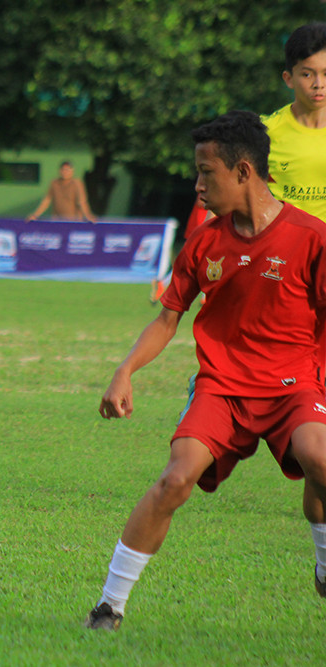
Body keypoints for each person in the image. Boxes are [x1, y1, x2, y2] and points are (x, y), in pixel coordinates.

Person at [84, 110, 326, 631]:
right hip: (222, 387)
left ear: (243, 172)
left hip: (294, 384)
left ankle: (325, 567)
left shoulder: (311, 237)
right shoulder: (204, 243)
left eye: (206, 172)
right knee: (175, 479)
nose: (197, 185)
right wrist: (125, 370)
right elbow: (168, 318)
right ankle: (109, 606)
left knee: (319, 457)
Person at [262, 23, 326, 222]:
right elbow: (235, 194)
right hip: (282, 250)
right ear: (289, 79)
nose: (318, 84)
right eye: (307, 74)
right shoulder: (266, 133)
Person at [26, 161, 97, 222]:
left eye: (68, 170)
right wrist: (35, 215)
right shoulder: (54, 183)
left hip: (74, 221)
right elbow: (46, 200)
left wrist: (88, 215)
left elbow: (82, 201)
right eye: (63, 170)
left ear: (72, 171)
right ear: (60, 171)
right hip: (57, 221)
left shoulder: (77, 184)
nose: (65, 172)